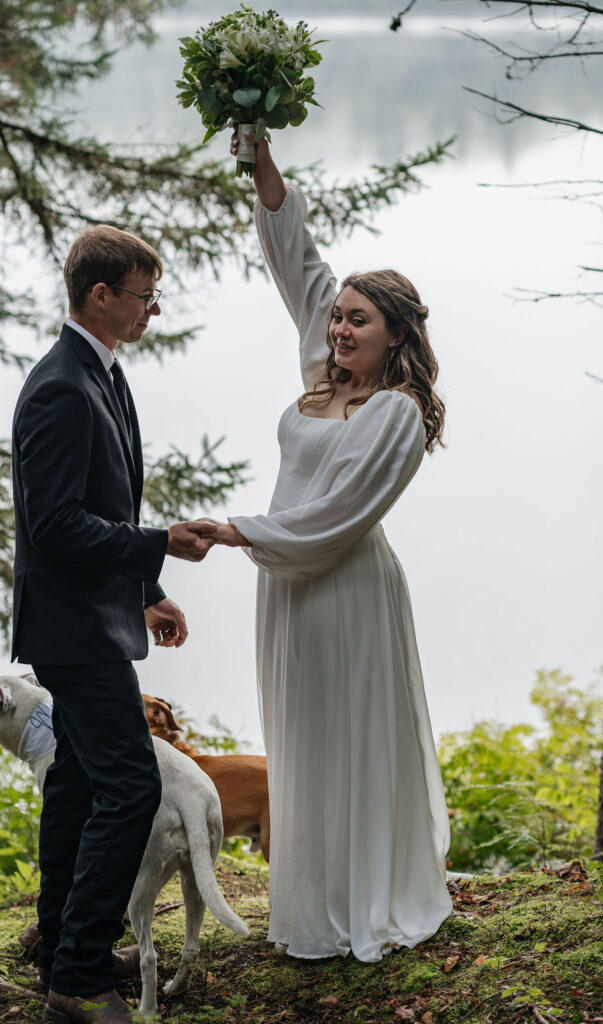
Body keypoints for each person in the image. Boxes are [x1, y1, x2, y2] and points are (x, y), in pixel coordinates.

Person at [205, 134, 453, 961]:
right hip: (286, 583)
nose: (340, 328)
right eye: (338, 317)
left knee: (351, 734)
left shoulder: (396, 414)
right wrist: (263, 166)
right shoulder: (325, 369)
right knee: (301, 737)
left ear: (395, 335)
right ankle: (310, 901)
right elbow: (297, 262)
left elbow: (339, 515)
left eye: (358, 320)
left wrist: (235, 529)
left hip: (343, 585)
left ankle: (367, 901)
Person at [11, 223, 215, 1023]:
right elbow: (56, 527)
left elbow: (103, 508)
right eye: (142, 297)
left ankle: (59, 940)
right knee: (129, 786)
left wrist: (145, 585)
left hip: (95, 612)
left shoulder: (105, 373)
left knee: (76, 782)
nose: (152, 311)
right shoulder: (61, 386)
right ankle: (79, 980)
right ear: (99, 295)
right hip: (68, 627)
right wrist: (160, 541)